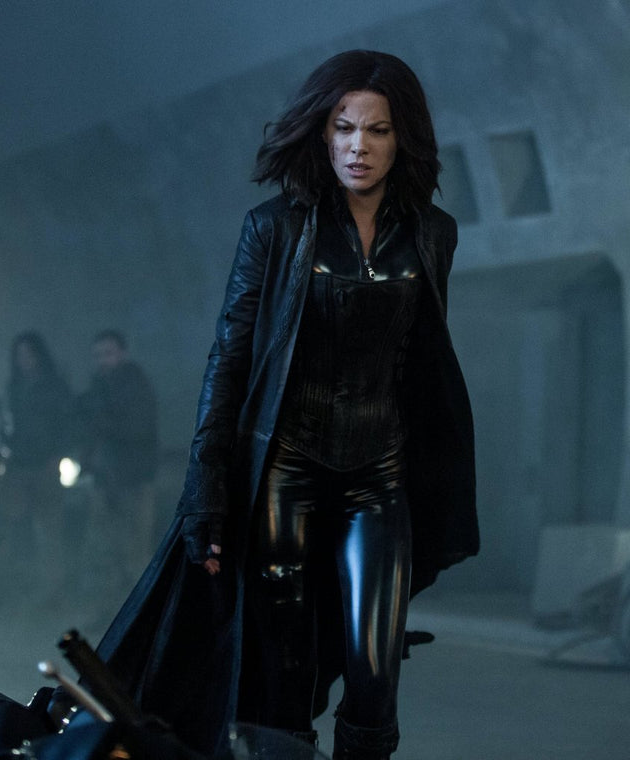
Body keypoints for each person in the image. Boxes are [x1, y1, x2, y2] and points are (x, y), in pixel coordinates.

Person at [88, 50, 477, 760]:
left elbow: (421, 363)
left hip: (379, 474)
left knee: (374, 673)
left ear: (403, 139)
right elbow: (229, 359)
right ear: (321, 132)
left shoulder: (434, 233)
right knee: (281, 674)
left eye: (378, 130)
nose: (359, 147)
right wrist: (206, 489)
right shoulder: (275, 227)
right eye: (344, 128)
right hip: (285, 473)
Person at [76, 329, 159, 602]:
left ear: (122, 353)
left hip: (133, 480)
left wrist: (102, 420)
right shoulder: (98, 387)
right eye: (98, 355)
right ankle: (110, 607)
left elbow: (137, 429)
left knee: (135, 550)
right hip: (105, 480)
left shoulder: (135, 385)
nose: (103, 360)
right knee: (104, 549)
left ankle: (144, 608)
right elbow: (89, 431)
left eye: (108, 353)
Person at [0, 331, 72, 605]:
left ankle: (52, 589)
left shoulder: (54, 387)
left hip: (44, 466)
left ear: (39, 356)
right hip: (18, 466)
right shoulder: (14, 387)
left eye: (29, 354)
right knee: (11, 526)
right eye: (20, 355)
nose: (24, 360)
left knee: (48, 530)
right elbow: (6, 426)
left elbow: (66, 424)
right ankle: (9, 587)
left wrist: (56, 457)